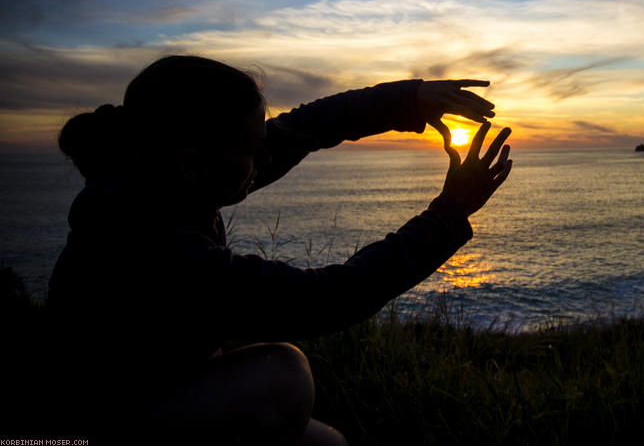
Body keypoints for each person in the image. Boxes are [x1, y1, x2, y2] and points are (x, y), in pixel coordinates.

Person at [47, 55, 512, 444]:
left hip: (151, 392)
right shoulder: (150, 246)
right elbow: (324, 299)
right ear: (190, 161)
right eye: (252, 147)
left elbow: (306, 127)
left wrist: (409, 99)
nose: (267, 158)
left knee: (328, 443)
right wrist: (450, 212)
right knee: (281, 376)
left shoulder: (157, 181)